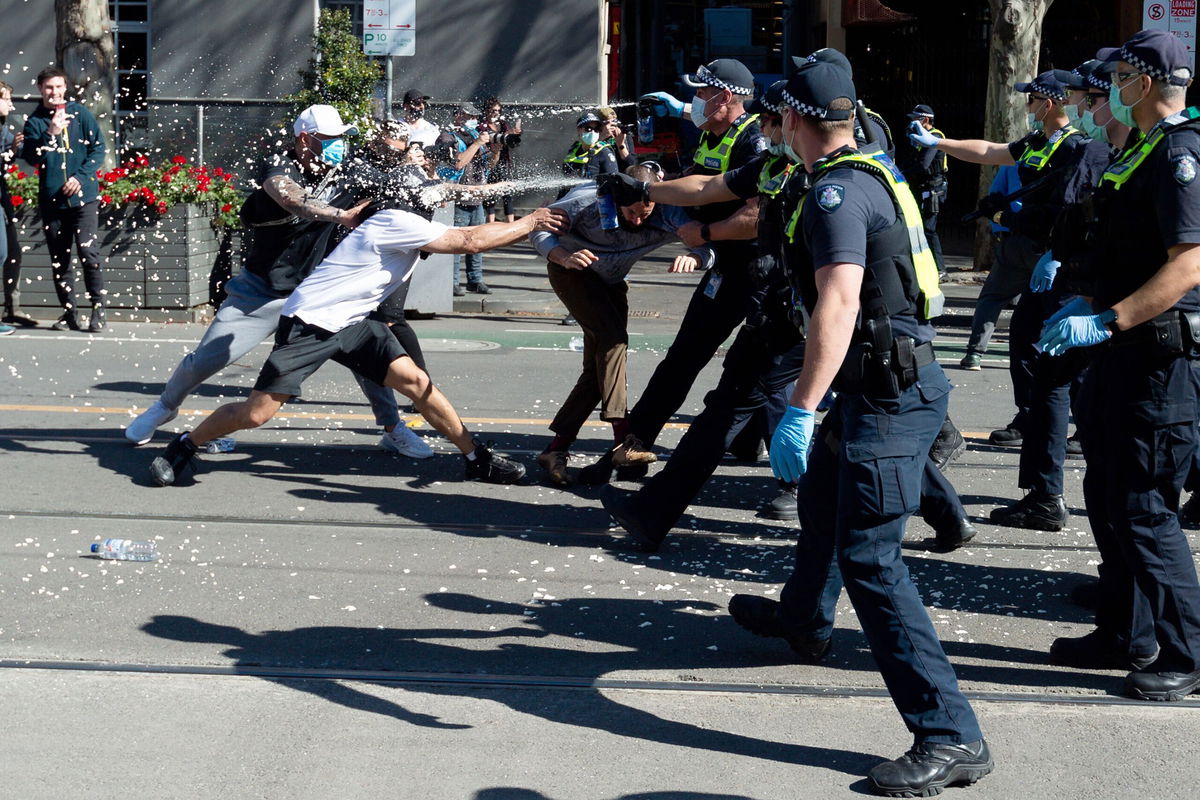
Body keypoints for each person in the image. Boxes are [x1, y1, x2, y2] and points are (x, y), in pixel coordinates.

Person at [729, 57, 991, 795]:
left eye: (776, 118)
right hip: (884, 383)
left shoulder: (837, 192)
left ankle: (950, 734)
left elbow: (838, 305)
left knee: (873, 560)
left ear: (796, 121)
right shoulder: (869, 166)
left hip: (886, 393)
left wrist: (801, 410)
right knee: (821, 500)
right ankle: (805, 620)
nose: (771, 129)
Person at [146, 201, 568, 488]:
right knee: (257, 414)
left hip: (351, 323)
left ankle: (477, 459)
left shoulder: (404, 224)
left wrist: (522, 223)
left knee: (417, 383)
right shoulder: (396, 221)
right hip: (311, 322)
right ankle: (185, 446)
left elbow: (472, 231)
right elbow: (469, 242)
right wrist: (530, 223)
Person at [1036, 30, 1200, 701]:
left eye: (1116, 79)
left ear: (1141, 80)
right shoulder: (1140, 150)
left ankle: (1189, 651)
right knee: (1108, 498)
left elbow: (1187, 263)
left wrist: (1105, 319)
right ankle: (1125, 631)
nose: (1106, 90)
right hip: (1118, 353)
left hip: (1156, 362)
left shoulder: (1181, 154)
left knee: (1145, 509)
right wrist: (1082, 301)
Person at [122, 105, 407, 450]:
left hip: (318, 292)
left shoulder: (344, 170)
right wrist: (340, 215)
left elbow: (394, 178)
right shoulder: (279, 164)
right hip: (262, 291)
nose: (339, 146)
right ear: (305, 139)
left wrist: (412, 161)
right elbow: (292, 199)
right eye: (330, 139)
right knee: (207, 359)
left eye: (341, 139)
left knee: (367, 355)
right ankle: (164, 407)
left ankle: (393, 428)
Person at [580, 59, 766, 480]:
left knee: (765, 375)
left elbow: (757, 216)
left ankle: (791, 481)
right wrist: (645, 190)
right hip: (728, 269)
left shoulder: (755, 140)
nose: (695, 100)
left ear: (726, 97)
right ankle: (632, 451)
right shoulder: (709, 134)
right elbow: (696, 184)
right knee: (682, 359)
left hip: (764, 273)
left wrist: (703, 233)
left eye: (702, 92)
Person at [909, 70, 1089, 452]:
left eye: (1032, 99)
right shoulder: (1040, 140)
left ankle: (1082, 426)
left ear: (1049, 102)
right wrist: (940, 145)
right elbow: (991, 151)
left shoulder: (1075, 147)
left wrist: (1051, 250)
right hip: (1027, 247)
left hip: (1052, 255)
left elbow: (1068, 209)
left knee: (1059, 347)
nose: (1027, 105)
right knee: (1024, 339)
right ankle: (1029, 415)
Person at [988, 60, 1122, 532]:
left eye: (1090, 97)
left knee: (1092, 396)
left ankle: (1050, 497)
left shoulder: (1119, 153)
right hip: (1084, 287)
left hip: (1103, 297)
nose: (1081, 106)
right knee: (1060, 384)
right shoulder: (1109, 151)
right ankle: (1048, 495)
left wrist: (1105, 307)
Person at [528, 163, 713, 485]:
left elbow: (708, 244)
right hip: (574, 272)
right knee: (614, 339)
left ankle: (555, 449)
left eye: (646, 212)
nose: (638, 219)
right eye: (631, 213)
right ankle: (623, 438)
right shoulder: (585, 202)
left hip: (612, 280)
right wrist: (561, 255)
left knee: (598, 368)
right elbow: (538, 228)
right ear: (616, 200)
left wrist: (697, 257)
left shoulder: (670, 211)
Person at [21, 65, 106, 332]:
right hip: (53, 202)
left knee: (87, 251)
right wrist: (51, 133)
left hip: (85, 198)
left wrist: (80, 177)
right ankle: (70, 313)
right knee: (60, 259)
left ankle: (98, 309)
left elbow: (98, 148)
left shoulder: (80, 114)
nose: (54, 92)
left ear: (65, 87)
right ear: (40, 89)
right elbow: (33, 157)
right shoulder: (35, 121)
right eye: (49, 87)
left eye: (58, 87)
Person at [959, 166, 1021, 371]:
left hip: (1015, 239)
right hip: (1051, 245)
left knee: (992, 297)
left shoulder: (1020, 155)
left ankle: (975, 353)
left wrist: (999, 226)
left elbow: (994, 197)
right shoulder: (1077, 151)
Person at [435, 103, 493, 296]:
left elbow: (490, 164)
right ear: (458, 116)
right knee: (456, 242)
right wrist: (476, 144)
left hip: (477, 197)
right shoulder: (447, 136)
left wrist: (498, 146)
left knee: (478, 241)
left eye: (476, 117)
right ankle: (451, 282)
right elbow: (457, 163)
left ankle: (475, 280)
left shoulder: (476, 137)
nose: (474, 121)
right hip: (456, 199)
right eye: (470, 116)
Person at [901, 104, 948, 277]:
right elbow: (912, 161)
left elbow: (923, 165)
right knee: (918, 226)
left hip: (934, 188)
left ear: (925, 120)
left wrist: (903, 174)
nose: (912, 122)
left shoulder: (935, 137)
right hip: (922, 187)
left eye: (915, 119)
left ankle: (940, 269)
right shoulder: (920, 139)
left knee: (929, 228)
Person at [1, 80, 32, 328]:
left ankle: (12, 309)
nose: (11, 106)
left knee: (11, 252)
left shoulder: (2, 129)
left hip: (2, 199)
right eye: (7, 99)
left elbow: (20, 151)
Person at [480, 97, 520, 223]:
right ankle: (490, 222)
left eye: (498, 110)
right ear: (487, 111)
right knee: (490, 191)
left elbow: (510, 142)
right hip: (489, 160)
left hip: (503, 159)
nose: (496, 113)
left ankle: (510, 222)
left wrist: (513, 133)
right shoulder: (483, 125)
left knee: (506, 191)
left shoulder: (502, 124)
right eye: (493, 110)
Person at [562, 110, 620, 183]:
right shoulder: (574, 149)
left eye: (596, 129)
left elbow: (614, 183)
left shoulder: (604, 152)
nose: (593, 132)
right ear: (579, 130)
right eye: (588, 129)